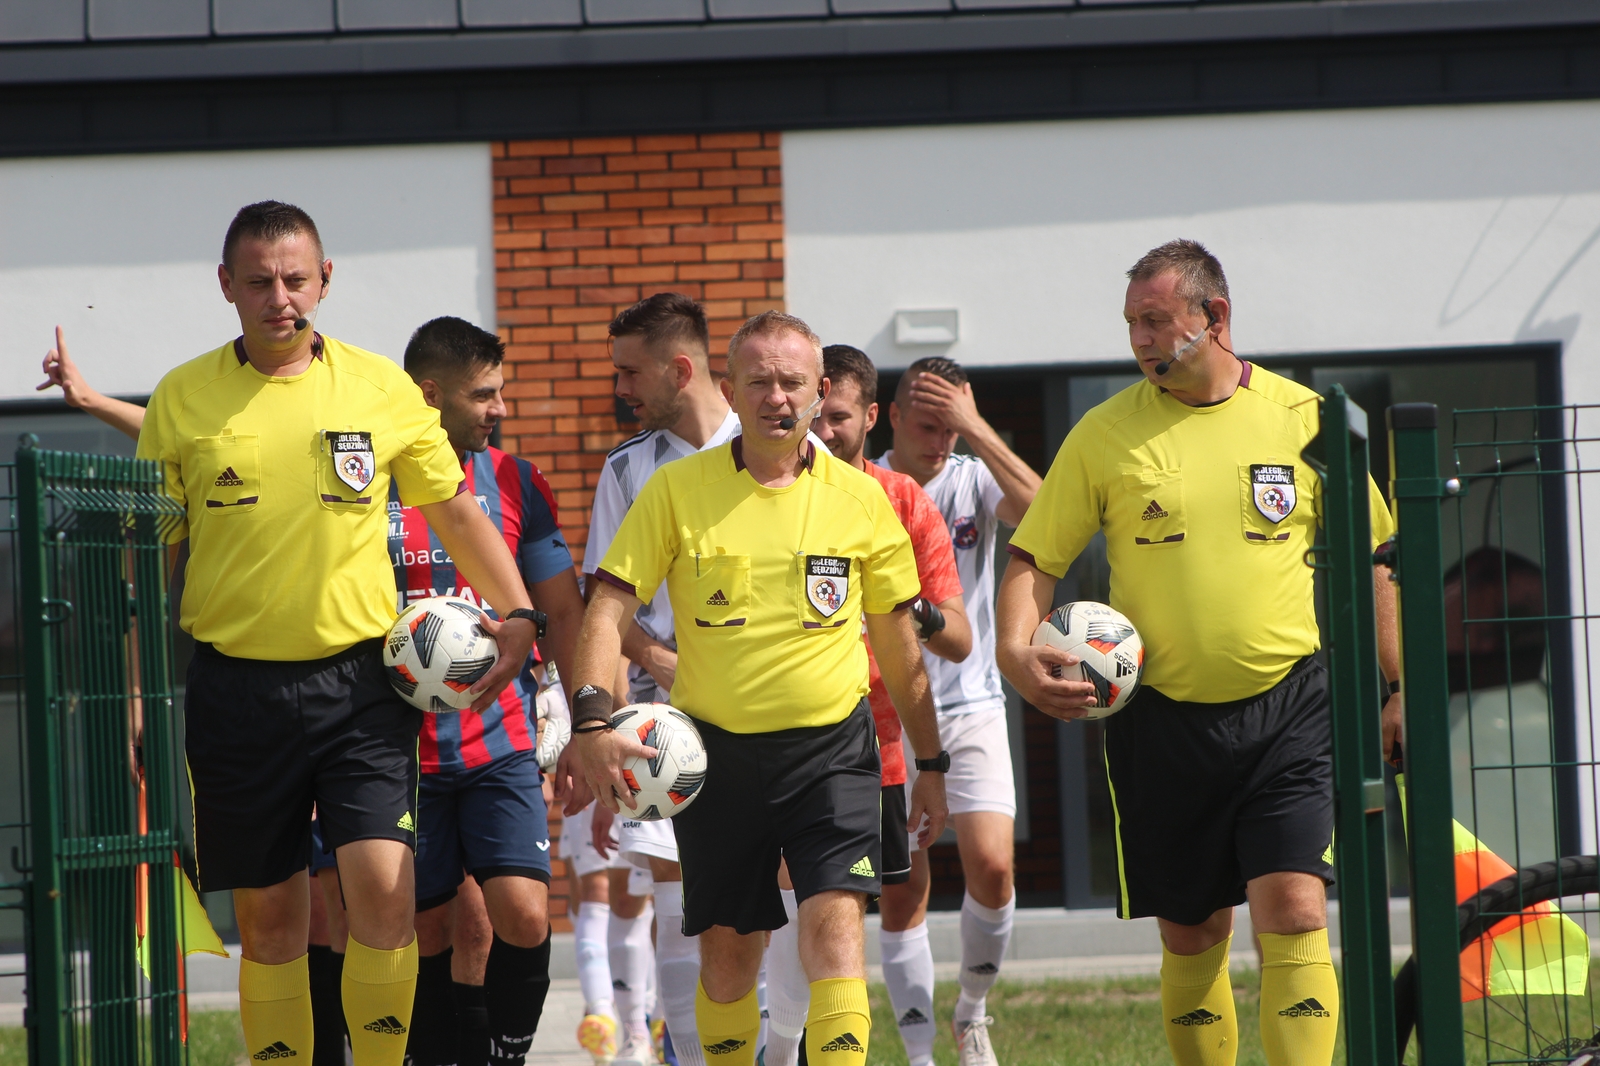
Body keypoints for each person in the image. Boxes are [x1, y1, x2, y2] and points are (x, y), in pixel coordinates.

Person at [135, 201, 545, 1066]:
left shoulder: (379, 388)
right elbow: (150, 563)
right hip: (235, 688)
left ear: (325, 280)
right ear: (226, 286)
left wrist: (518, 615)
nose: (279, 298)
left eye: (295, 279)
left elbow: (457, 511)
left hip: (362, 686)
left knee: (384, 896)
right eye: (259, 282)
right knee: (270, 920)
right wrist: (137, 690)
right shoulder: (181, 397)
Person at [995, 239, 1400, 1066]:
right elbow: (1034, 559)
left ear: (1215, 316)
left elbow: (1376, 560)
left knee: (1294, 908)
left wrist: (1399, 688)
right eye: (1131, 323)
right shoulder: (1105, 433)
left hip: (1290, 709)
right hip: (1160, 720)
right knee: (1192, 931)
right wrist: (1012, 652)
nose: (1139, 338)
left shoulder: (1305, 419)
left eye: (1155, 319)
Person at [572, 310, 950, 1066]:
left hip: (834, 753)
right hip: (714, 758)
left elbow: (898, 644)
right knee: (728, 955)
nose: (778, 397)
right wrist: (590, 722)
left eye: (793, 383)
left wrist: (931, 761)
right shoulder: (676, 490)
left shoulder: (862, 499)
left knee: (835, 930)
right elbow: (607, 609)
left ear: (821, 393)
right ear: (730, 389)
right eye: (760, 382)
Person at [760, 343, 972, 1066]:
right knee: (807, 902)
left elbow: (958, 637)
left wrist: (904, 611)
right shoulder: (772, 492)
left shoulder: (901, 500)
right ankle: (782, 1049)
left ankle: (918, 1052)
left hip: (880, 743)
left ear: (870, 417)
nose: (825, 429)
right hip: (788, 738)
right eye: (818, 414)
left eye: (841, 417)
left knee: (886, 900)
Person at [391, 316, 588, 1066]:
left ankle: (509, 1054)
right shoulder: (368, 485)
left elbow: (562, 609)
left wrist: (576, 714)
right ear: (429, 395)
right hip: (400, 752)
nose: (499, 409)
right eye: (483, 395)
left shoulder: (516, 480)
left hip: (500, 742)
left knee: (525, 915)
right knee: (430, 931)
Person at [581, 292, 744, 1066]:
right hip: (661, 720)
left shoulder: (772, 447)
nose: (621, 389)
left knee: (769, 903)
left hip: (769, 713)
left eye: (630, 372)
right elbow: (603, 611)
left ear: (681, 369)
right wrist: (642, 670)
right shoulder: (627, 468)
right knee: (677, 901)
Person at [877, 357, 1041, 1066]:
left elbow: (1047, 512)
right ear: (892, 418)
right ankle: (919, 1055)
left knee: (994, 870)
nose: (940, 441)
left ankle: (971, 1013)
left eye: (952, 427)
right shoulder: (866, 486)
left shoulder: (973, 476)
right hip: (886, 710)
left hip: (970, 705)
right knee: (903, 888)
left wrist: (977, 428)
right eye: (928, 425)